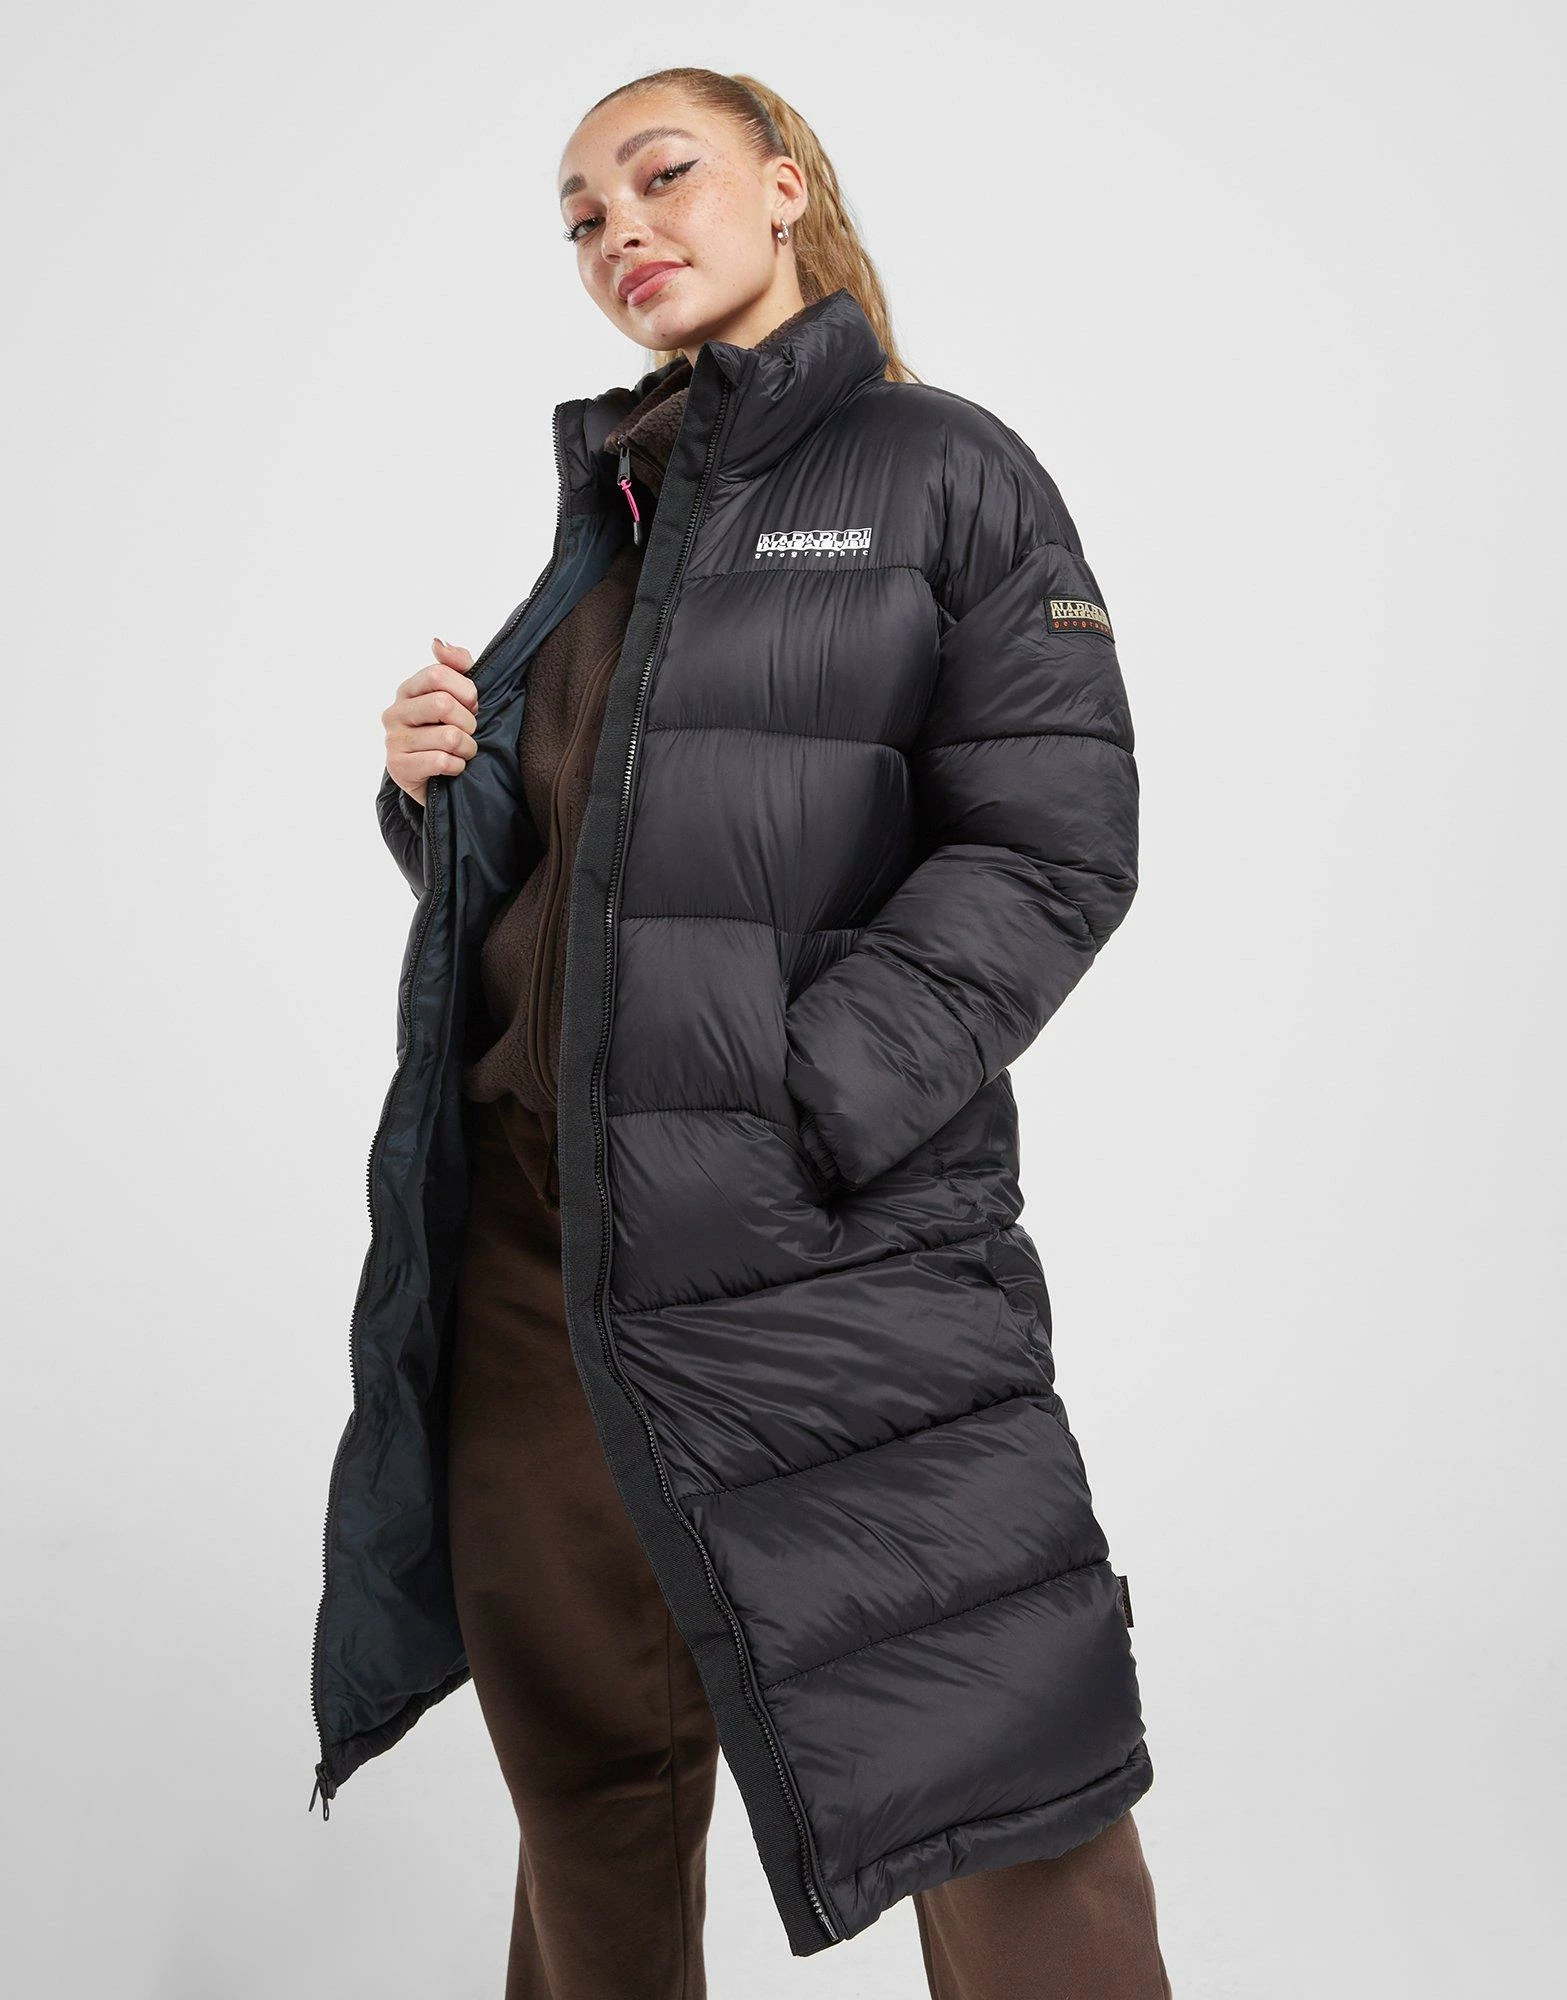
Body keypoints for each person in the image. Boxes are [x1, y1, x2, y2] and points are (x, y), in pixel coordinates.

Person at [332, 65, 1170, 1999]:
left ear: (783, 185)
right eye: (579, 216)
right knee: (590, 1774)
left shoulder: (942, 468)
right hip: (539, 1243)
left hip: (824, 1242)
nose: (617, 229)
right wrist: (439, 790)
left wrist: (805, 1099)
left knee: (987, 1742)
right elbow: (596, 886)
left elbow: (1054, 843)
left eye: (661, 175)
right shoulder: (620, 513)